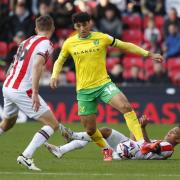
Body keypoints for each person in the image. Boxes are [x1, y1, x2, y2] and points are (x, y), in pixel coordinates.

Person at [50, 12, 163, 161]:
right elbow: (59, 60)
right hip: (84, 91)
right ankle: (106, 149)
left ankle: (142, 143)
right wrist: (54, 75)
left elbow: (125, 45)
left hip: (104, 84)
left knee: (127, 107)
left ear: (90, 23)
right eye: (78, 25)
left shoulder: (102, 37)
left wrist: (148, 54)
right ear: (74, 26)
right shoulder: (69, 43)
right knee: (90, 130)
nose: (82, 28)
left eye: (85, 24)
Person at [0, 15, 60, 171]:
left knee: (7, 124)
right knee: (52, 125)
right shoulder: (46, 43)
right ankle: (26, 156)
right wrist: (35, 92)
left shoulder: (25, 42)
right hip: (22, 89)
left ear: (36, 29)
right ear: (52, 28)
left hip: (7, 85)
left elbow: (13, 64)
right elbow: (37, 65)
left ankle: (25, 156)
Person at [45, 115, 179, 160]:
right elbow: (141, 143)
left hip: (131, 153)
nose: (169, 132)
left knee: (101, 134)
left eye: (173, 132)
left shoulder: (168, 147)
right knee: (104, 131)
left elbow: (151, 148)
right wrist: (135, 128)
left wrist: (143, 128)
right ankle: (61, 149)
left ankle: (72, 136)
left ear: (178, 140)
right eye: (171, 130)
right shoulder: (162, 142)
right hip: (131, 147)